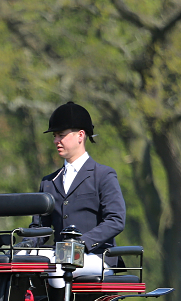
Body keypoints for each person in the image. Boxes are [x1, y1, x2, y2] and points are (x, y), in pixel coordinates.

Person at [21, 101, 126, 288]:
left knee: (59, 266)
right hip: (61, 255)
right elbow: (40, 227)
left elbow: (116, 219)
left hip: (96, 256)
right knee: (20, 262)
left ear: (80, 135)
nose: (55, 141)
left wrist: (82, 244)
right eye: (54, 136)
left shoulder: (103, 175)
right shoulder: (48, 182)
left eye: (61, 135)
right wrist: (26, 247)